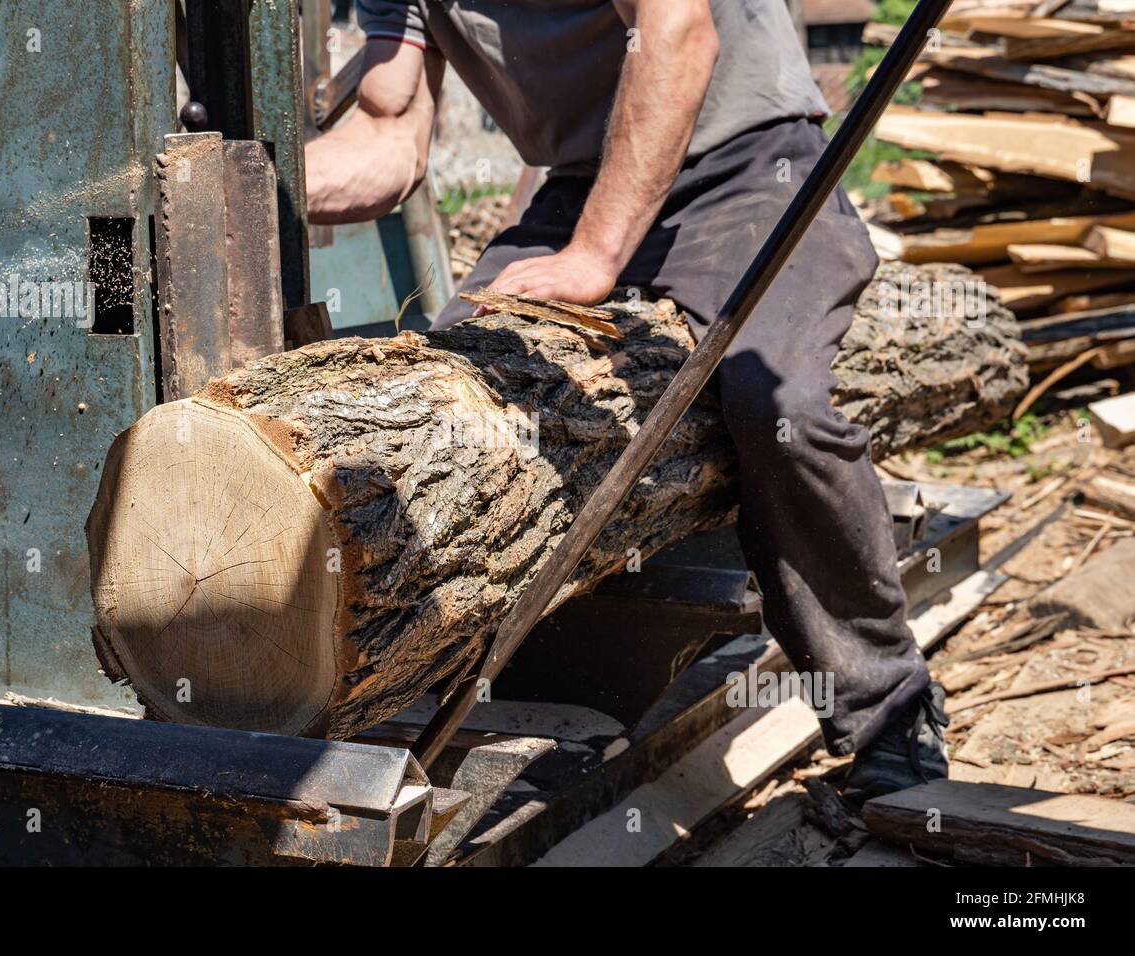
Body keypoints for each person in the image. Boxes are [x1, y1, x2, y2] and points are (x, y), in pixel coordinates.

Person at [306, 0, 948, 802]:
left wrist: (595, 255)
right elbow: (387, 137)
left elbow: (678, 29)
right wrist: (251, 186)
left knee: (773, 406)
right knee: (445, 418)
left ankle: (889, 704)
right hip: (587, 182)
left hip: (752, 171)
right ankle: (407, 684)